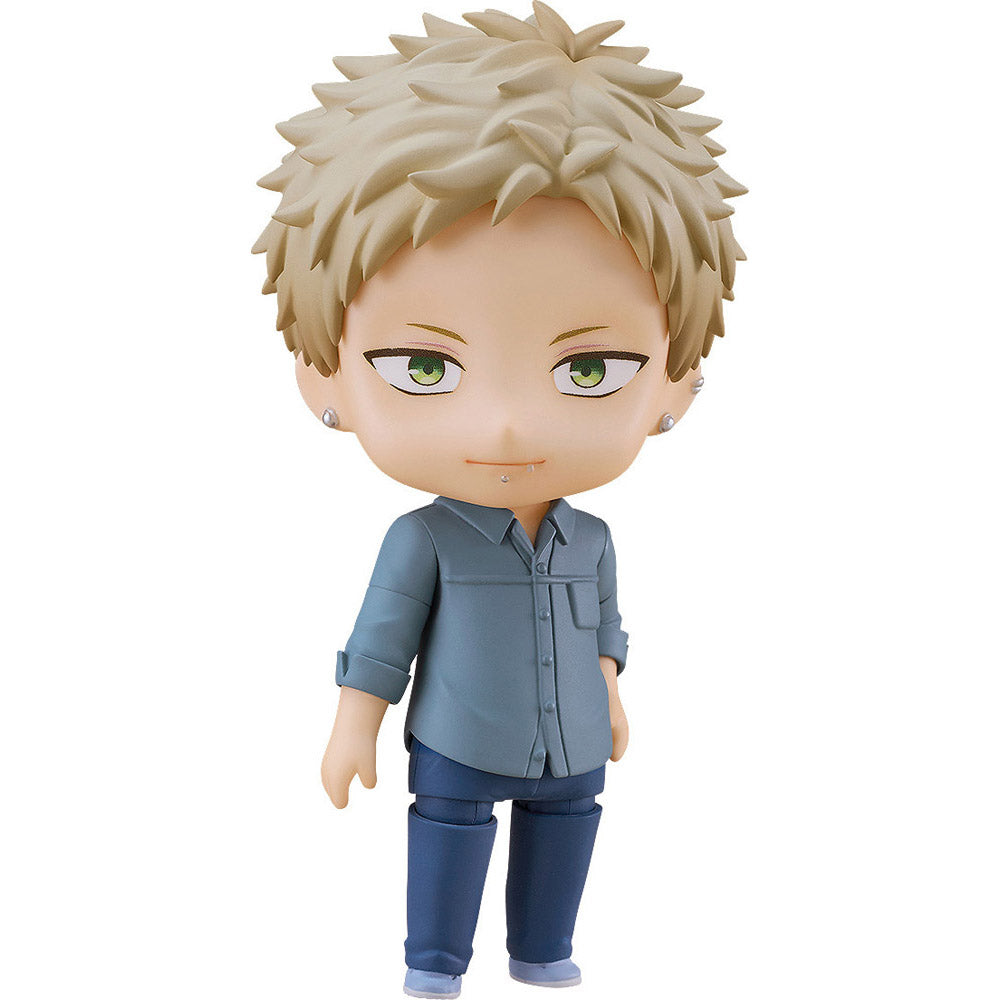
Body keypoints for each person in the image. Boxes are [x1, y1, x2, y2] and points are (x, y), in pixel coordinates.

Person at [252, 4, 745, 996]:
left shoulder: (591, 536)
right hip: (458, 739)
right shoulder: (422, 539)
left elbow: (604, 625)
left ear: (677, 386)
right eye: (424, 367)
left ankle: (542, 955)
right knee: (450, 831)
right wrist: (354, 722)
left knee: (568, 830)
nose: (509, 424)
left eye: (591, 370)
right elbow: (383, 637)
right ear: (323, 377)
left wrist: (609, 693)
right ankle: (434, 965)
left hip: (572, 741)